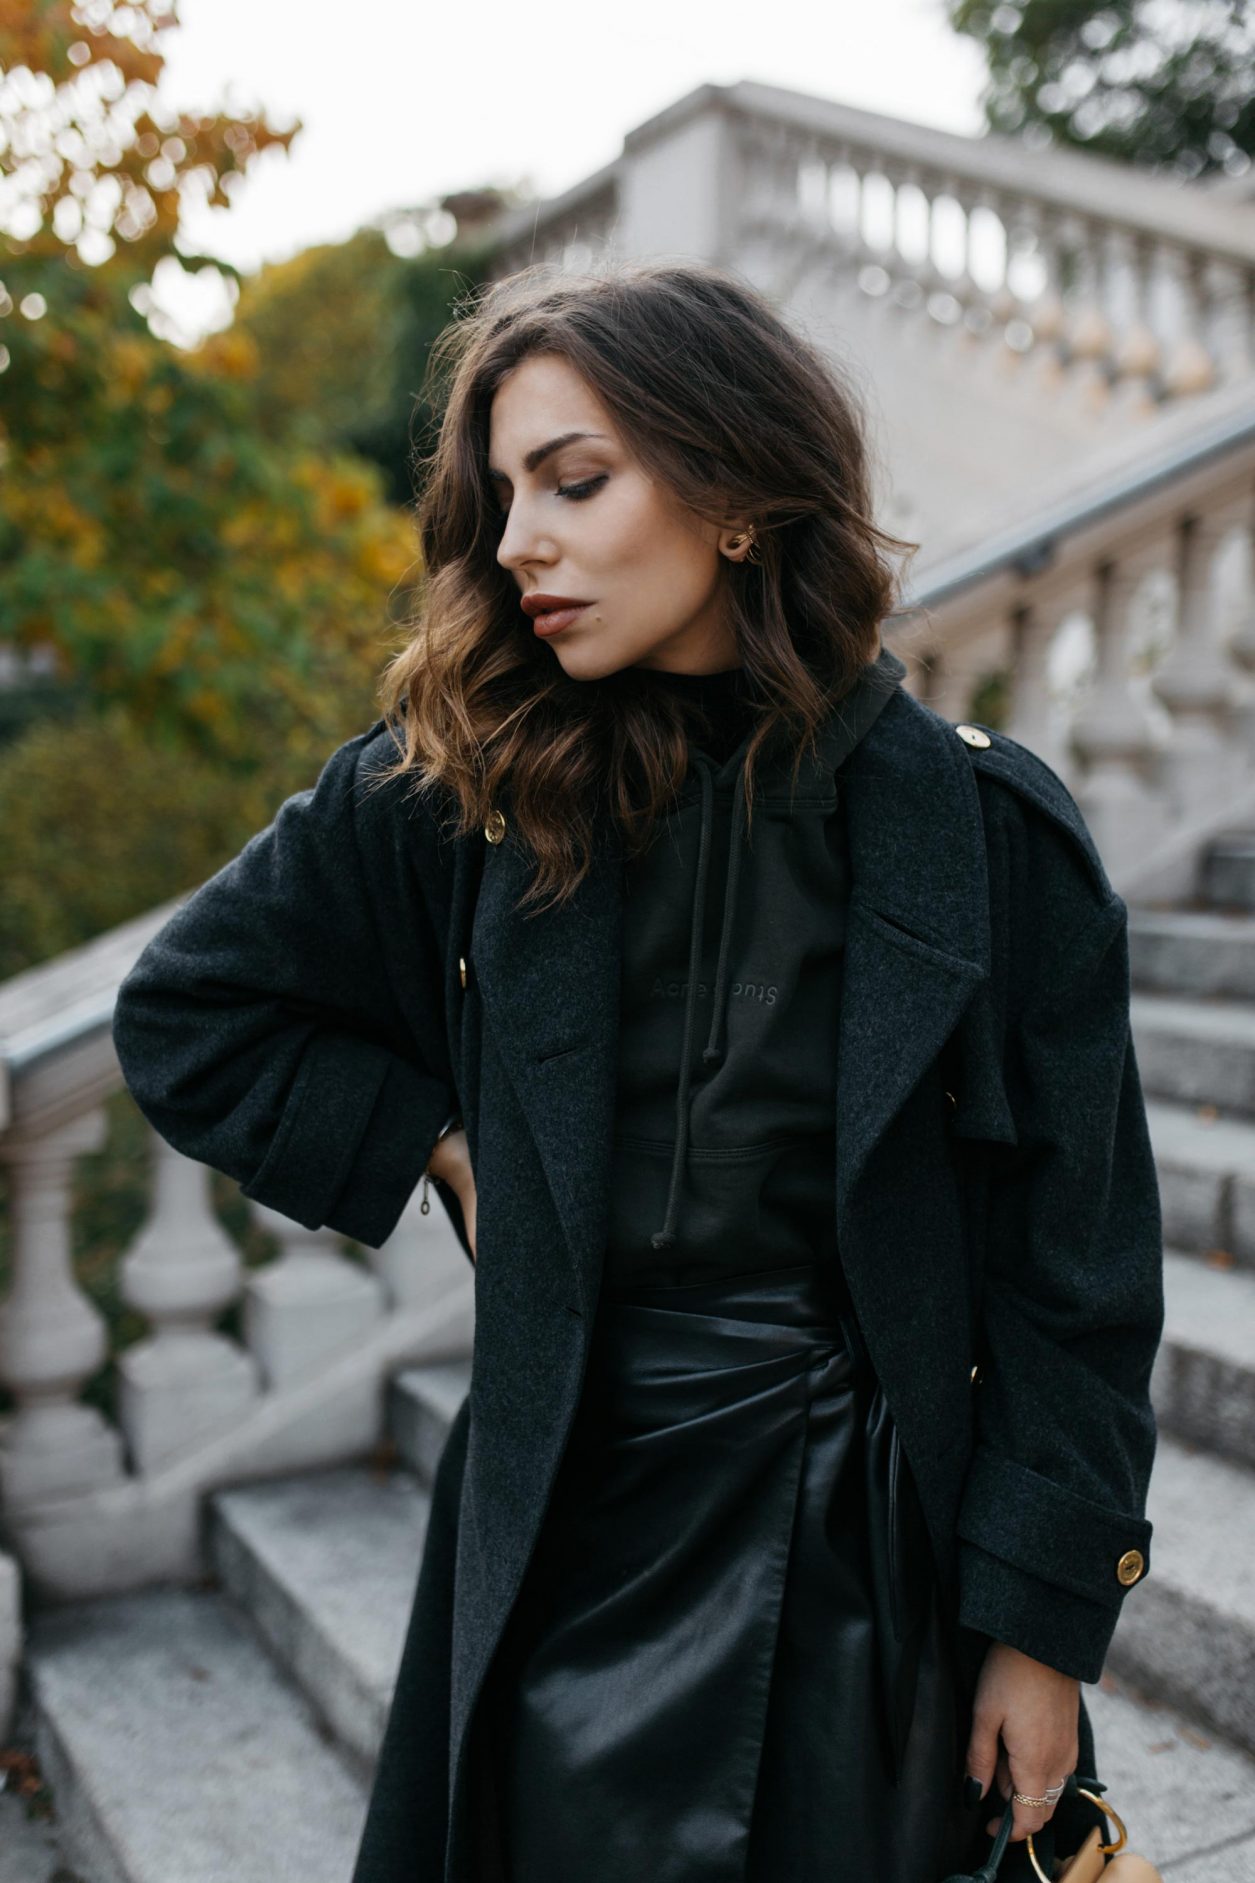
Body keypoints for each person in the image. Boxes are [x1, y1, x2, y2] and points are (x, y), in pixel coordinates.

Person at [111, 257, 1164, 1883]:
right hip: (561, 1511)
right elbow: (190, 1013)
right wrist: (440, 1145)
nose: (517, 543)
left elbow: (1075, 1267)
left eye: (575, 481)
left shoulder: (980, 826)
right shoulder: (458, 788)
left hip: (868, 1537)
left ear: (735, 495)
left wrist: (1041, 1625)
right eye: (503, 496)